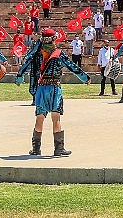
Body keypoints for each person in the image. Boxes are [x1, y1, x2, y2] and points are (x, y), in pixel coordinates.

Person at [15, 28, 91, 156]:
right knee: (56, 117)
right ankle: (58, 149)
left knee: (40, 118)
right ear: (53, 39)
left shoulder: (36, 54)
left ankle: (36, 149)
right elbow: (72, 67)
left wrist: (19, 78)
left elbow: (25, 66)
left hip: (41, 89)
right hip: (55, 88)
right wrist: (85, 78)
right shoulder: (58, 54)